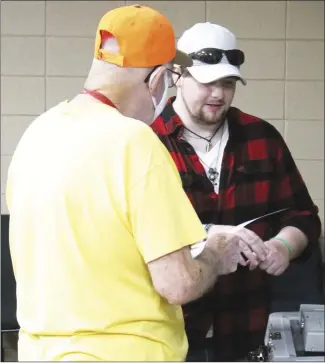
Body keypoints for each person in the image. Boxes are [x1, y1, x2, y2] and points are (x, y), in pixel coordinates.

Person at [6, 8, 249, 361]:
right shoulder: (134, 142)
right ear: (156, 80)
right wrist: (215, 252)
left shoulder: (37, 134)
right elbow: (177, 283)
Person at [151, 22, 322, 361]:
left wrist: (283, 246)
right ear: (178, 76)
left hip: (245, 328)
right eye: (207, 82)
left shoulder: (262, 136)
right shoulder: (147, 141)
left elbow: (303, 216)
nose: (218, 94)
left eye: (227, 83)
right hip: (171, 332)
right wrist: (209, 240)